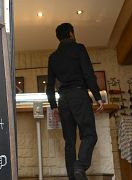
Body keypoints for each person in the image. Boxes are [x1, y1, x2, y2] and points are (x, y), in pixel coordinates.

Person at [46, 23, 104, 180]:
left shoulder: (53, 57)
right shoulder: (79, 48)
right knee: (89, 134)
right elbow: (88, 74)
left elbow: (49, 86)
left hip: (63, 100)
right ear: (71, 33)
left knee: (69, 142)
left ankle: (73, 177)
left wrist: (54, 106)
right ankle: (80, 165)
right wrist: (98, 97)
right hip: (79, 95)